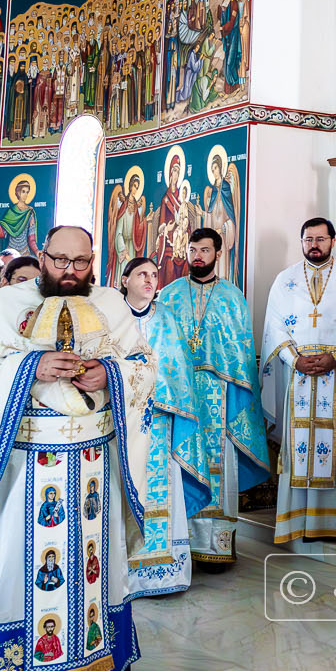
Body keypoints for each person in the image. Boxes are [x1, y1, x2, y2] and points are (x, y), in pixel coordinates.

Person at [0, 226, 160, 671]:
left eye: (80, 262)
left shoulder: (110, 303)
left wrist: (109, 374)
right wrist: (30, 367)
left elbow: (144, 365)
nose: (69, 271)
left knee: (93, 570)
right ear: (41, 256)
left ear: (94, 261)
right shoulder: (6, 304)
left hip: (92, 466)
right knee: (10, 572)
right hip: (21, 468)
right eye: (59, 260)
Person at [153, 228, 269, 568]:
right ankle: (183, 542)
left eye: (205, 249)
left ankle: (217, 546)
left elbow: (242, 354)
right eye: (192, 249)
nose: (198, 255)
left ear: (218, 253)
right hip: (182, 395)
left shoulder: (232, 297)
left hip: (221, 396)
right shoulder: (170, 296)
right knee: (184, 459)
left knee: (220, 465)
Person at [260, 218, 336, 545]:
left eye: (320, 239)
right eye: (308, 239)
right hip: (298, 376)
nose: (314, 244)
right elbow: (274, 328)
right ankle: (302, 523)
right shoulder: (285, 281)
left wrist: (335, 357)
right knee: (301, 449)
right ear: (301, 242)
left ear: (332, 240)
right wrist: (293, 359)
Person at [117, 254, 209, 600]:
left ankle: (162, 574)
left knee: (162, 491)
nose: (150, 280)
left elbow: (179, 373)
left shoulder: (167, 320)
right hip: (122, 423)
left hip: (160, 422)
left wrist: (158, 395)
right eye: (141, 274)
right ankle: (120, 575)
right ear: (125, 279)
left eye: (154, 275)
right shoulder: (111, 319)